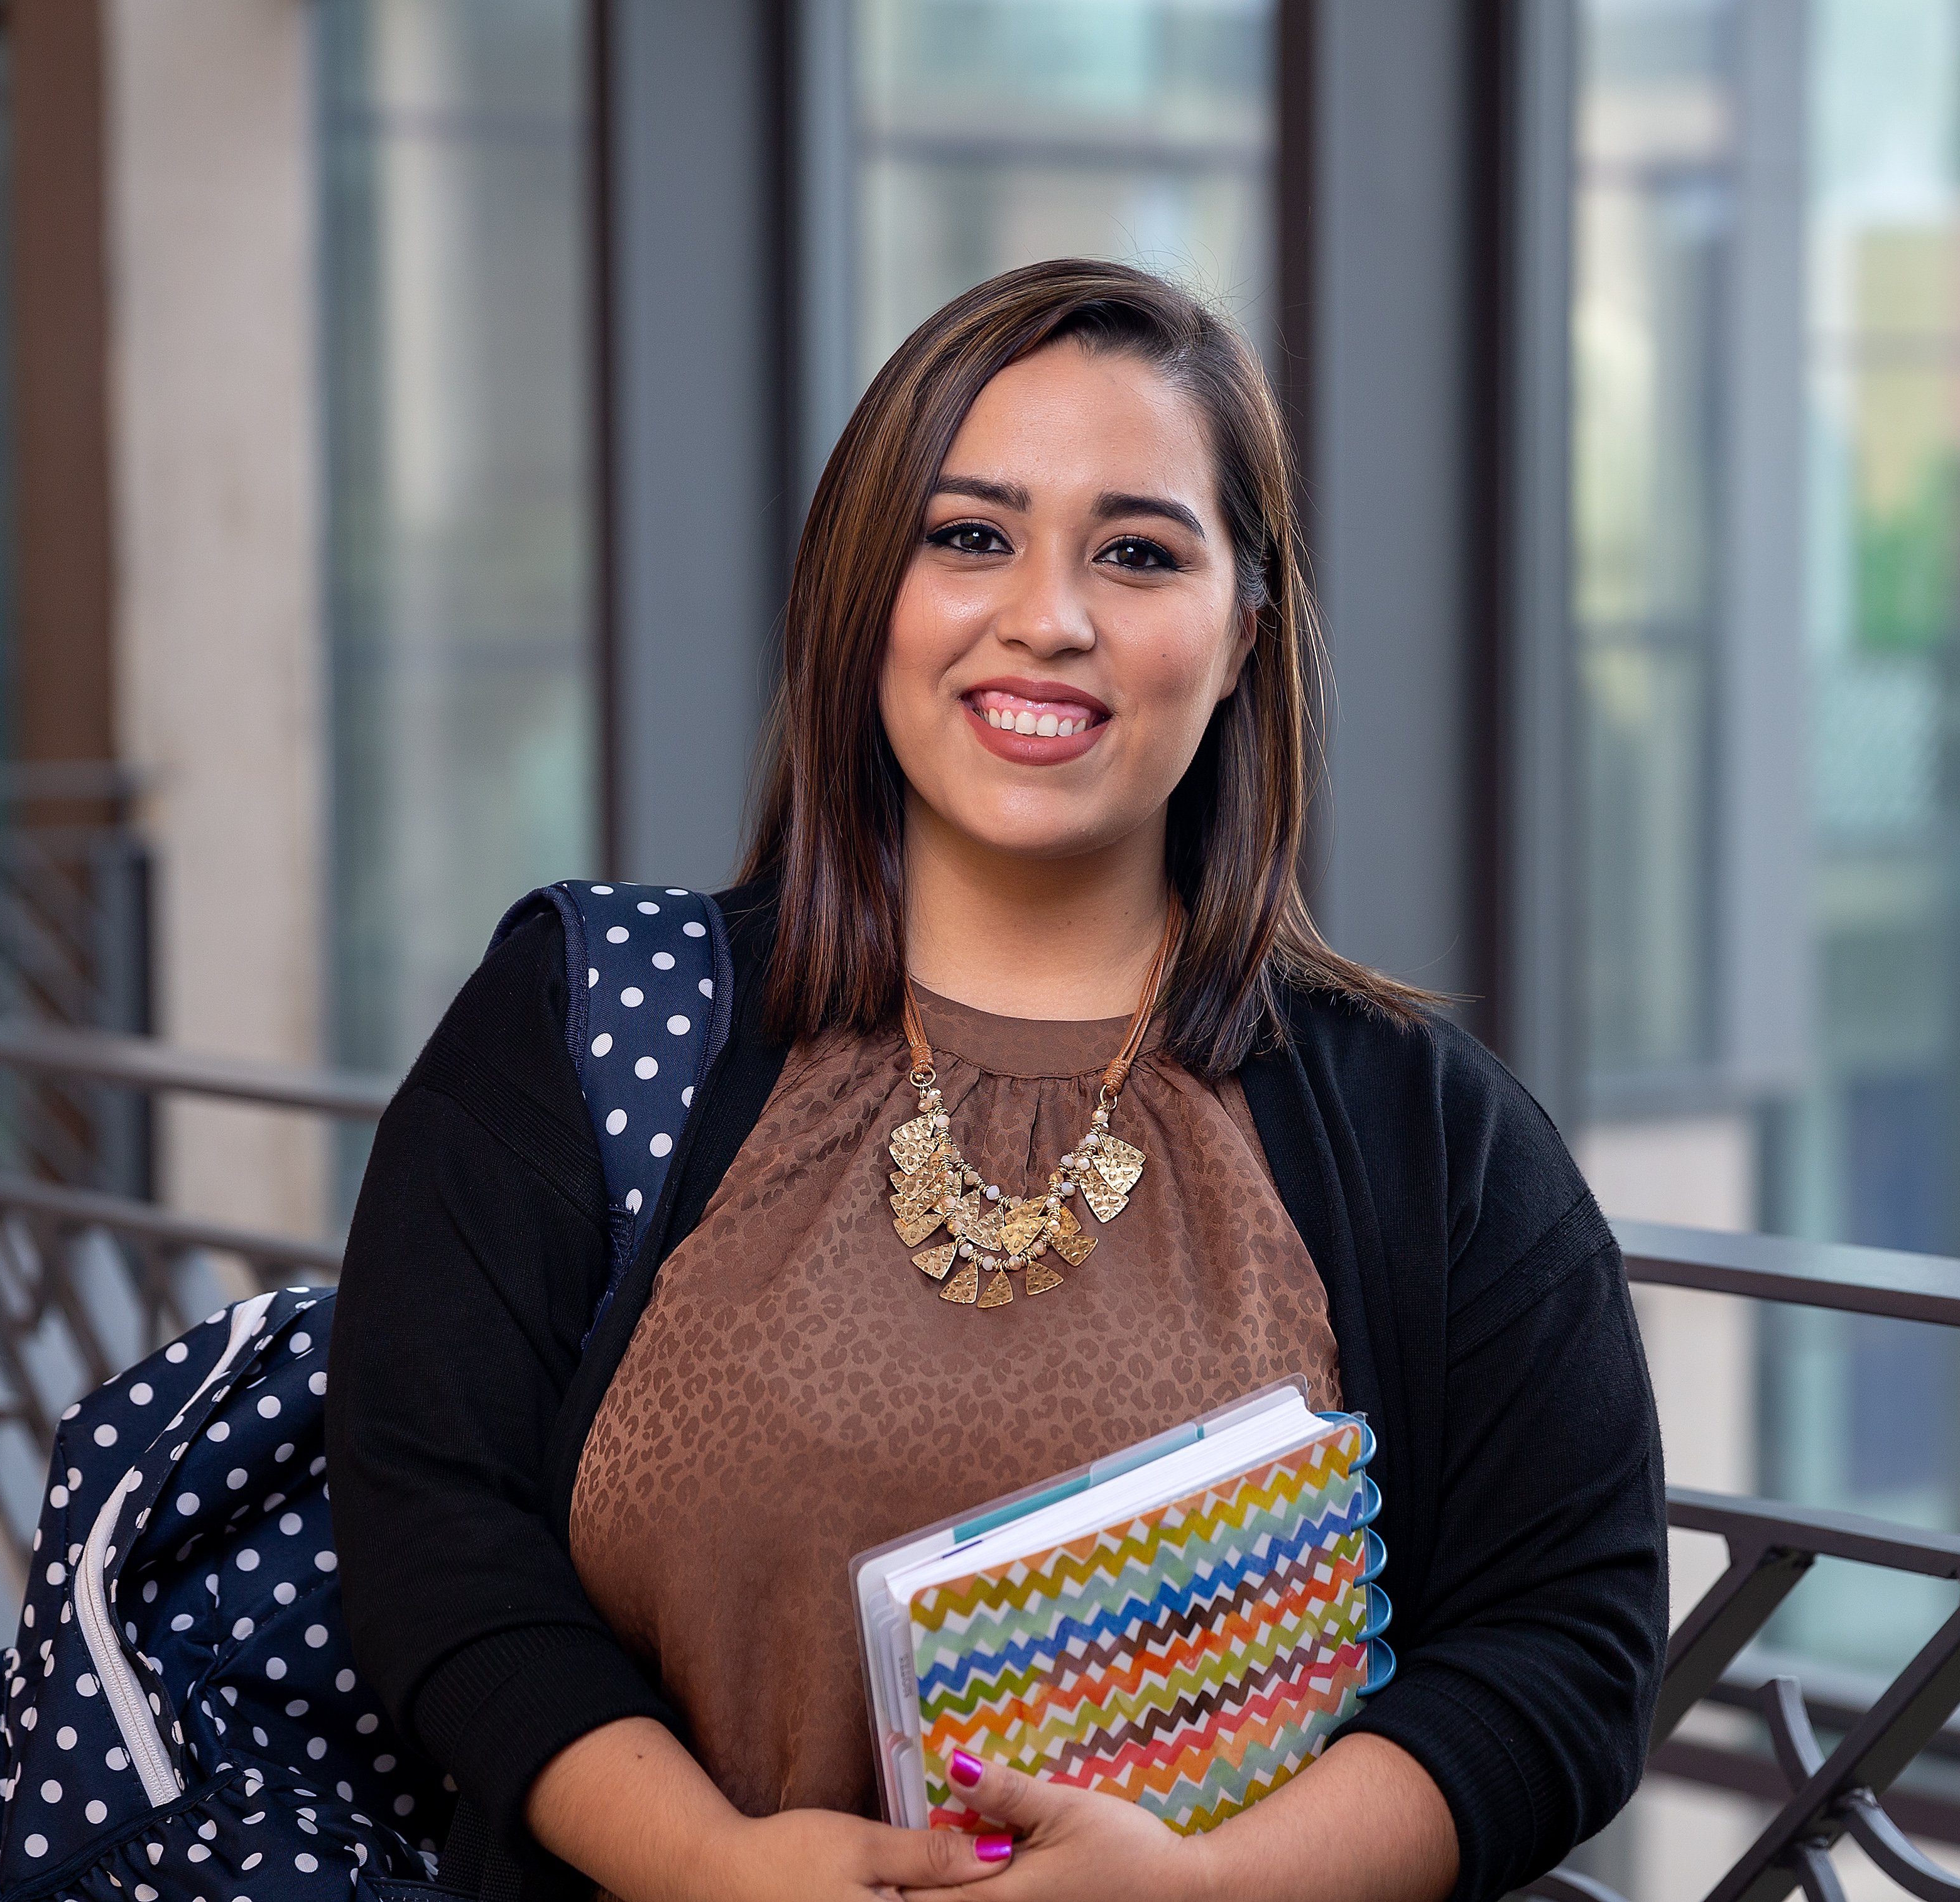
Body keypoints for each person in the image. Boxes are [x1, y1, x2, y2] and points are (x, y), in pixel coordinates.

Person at [330, 258, 1665, 1902]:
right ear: (860, 591)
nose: (1050, 613)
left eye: (1138, 551)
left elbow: (1567, 1645)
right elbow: (428, 1530)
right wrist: (708, 1866)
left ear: (1245, 630)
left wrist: (1211, 1890)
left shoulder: (1432, 1136)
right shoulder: (583, 1023)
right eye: (970, 535)